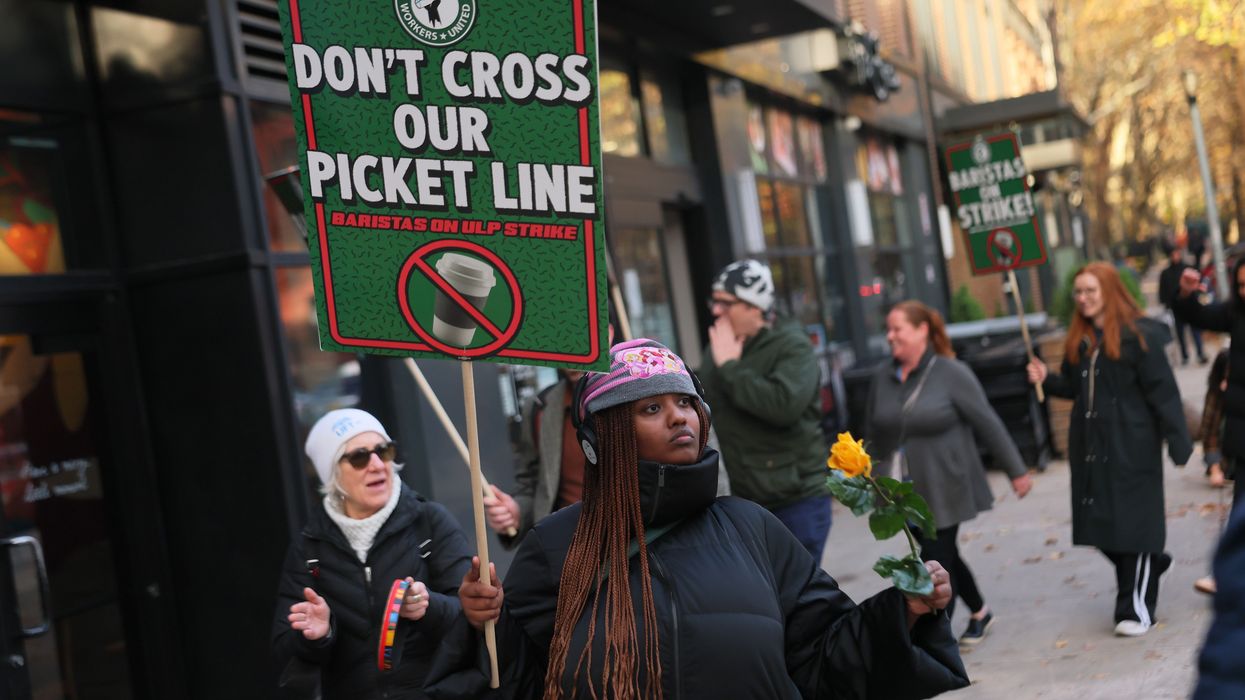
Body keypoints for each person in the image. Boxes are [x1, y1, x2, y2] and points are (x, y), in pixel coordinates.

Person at [431, 339, 970, 699]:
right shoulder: (555, 546)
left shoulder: (752, 527)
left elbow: (825, 660)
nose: (678, 417)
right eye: (650, 408)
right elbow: (522, 682)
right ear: (604, 438)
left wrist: (903, 613)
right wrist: (486, 625)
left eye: (684, 403)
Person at [1027, 262, 1192, 637]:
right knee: (1102, 526)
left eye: (1090, 291)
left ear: (1110, 291)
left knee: (1134, 527)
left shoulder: (1140, 336)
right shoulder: (1081, 340)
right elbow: (1073, 388)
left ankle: (1135, 610)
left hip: (1132, 445)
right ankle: (1154, 559)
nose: (1083, 299)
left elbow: (1163, 393)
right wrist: (1046, 380)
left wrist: (1178, 442)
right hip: (1090, 446)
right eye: (1078, 293)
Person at [272, 409, 474, 699]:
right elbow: (282, 647)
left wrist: (428, 607)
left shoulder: (429, 522)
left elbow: (475, 614)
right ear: (333, 475)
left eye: (384, 451)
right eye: (359, 457)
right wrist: (319, 634)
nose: (377, 465)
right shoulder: (310, 546)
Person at [866, 300, 1033, 645]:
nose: (890, 336)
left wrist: (1016, 470)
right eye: (889, 329)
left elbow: (988, 423)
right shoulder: (882, 377)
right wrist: (861, 472)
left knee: (934, 558)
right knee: (944, 554)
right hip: (899, 491)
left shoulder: (950, 373)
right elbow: (872, 431)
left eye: (897, 328)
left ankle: (932, 639)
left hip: (946, 484)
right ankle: (981, 611)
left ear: (922, 330)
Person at [484, 368, 730, 548]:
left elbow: (709, 474)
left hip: (652, 543)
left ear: (609, 332)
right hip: (570, 549)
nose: (677, 415)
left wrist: (721, 534)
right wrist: (517, 510)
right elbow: (533, 481)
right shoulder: (539, 407)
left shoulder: (660, 382)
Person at [697, 259, 832, 561]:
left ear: (753, 306)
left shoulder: (792, 346)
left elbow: (783, 406)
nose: (716, 310)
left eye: (725, 303)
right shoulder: (720, 345)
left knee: (793, 602)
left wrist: (730, 367)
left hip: (794, 501)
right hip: (743, 500)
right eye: (714, 301)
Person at [1158, 243, 1208, 365]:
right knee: (1180, 333)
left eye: (1177, 254)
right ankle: (1185, 356)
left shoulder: (1187, 269)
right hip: (1176, 308)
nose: (1175, 256)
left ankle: (1200, 353)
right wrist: (1167, 304)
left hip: (1191, 307)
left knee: (1195, 330)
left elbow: (1197, 285)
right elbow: (1163, 290)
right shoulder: (1166, 273)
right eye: (1173, 254)